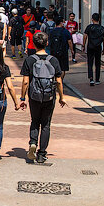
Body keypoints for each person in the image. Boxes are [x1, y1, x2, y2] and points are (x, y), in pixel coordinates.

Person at [19, 31, 67, 164]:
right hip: (49, 96)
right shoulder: (53, 60)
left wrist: (22, 98)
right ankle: (42, 153)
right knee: (46, 124)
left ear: (34, 44)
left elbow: (25, 82)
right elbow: (58, 81)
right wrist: (61, 97)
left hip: (34, 96)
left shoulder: (29, 60)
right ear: (47, 43)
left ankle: (33, 142)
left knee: (35, 121)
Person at [83, 13, 104, 86]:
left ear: (92, 19)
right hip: (98, 47)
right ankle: (97, 79)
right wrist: (103, 48)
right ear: (99, 19)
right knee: (98, 63)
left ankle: (91, 79)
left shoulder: (89, 27)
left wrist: (83, 45)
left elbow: (85, 36)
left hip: (90, 46)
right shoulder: (102, 28)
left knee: (90, 63)